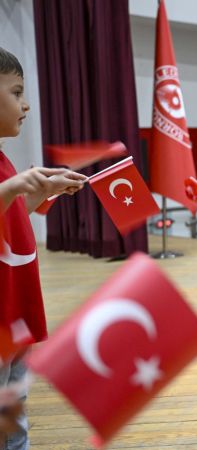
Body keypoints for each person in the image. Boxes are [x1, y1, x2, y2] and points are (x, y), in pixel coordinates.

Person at [0, 47, 86, 449]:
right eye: (16, 92)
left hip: (15, 314)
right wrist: (17, 186)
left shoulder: (2, 160)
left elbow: (11, 216)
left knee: (13, 414)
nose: (26, 104)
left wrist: (41, 191)